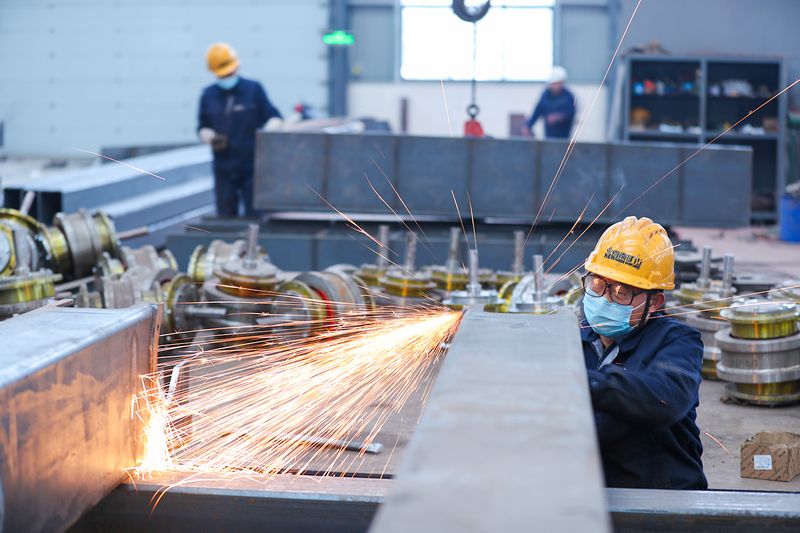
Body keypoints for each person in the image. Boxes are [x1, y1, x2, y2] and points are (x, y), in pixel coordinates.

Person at [580, 216, 707, 490]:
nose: (604, 299)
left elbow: (666, 398)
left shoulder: (678, 341)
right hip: (594, 485)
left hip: (661, 494)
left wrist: (584, 381)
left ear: (655, 302)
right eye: (597, 284)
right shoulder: (577, 337)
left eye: (621, 292)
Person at [198, 42, 282, 217]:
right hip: (223, 167)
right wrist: (207, 135)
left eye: (228, 73)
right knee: (225, 217)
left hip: (252, 166)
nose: (226, 77)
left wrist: (269, 130)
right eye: (222, 75)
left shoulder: (253, 90)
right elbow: (203, 125)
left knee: (255, 217)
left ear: (236, 66)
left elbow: (273, 116)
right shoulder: (208, 95)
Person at [524, 66, 576, 139]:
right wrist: (528, 126)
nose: (554, 86)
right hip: (549, 137)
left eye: (557, 83)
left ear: (562, 83)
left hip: (563, 137)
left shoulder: (568, 96)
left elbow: (571, 112)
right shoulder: (545, 95)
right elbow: (537, 111)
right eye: (553, 83)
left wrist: (558, 117)